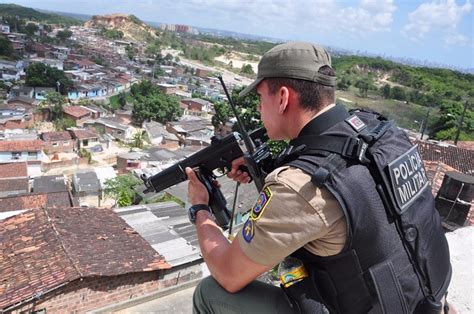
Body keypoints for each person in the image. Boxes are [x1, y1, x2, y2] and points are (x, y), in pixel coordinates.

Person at [185, 41, 452, 314]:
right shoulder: (380, 134)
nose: (259, 109)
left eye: (261, 98)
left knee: (209, 293)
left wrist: (201, 207)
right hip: (427, 298)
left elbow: (229, 273)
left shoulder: (301, 184)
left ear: (283, 98)